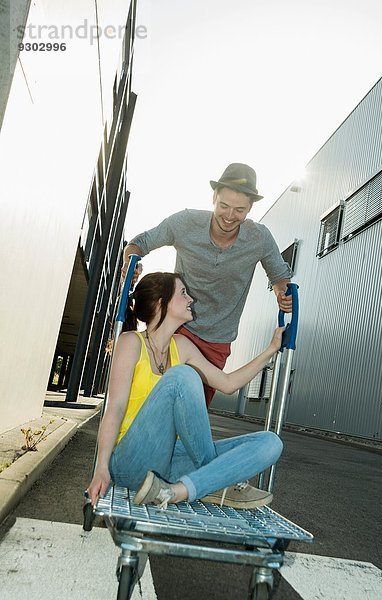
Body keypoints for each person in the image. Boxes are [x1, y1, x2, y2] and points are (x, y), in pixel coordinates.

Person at [87, 272, 284, 511]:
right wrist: (101, 468)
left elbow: (229, 384)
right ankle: (215, 481)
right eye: (183, 293)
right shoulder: (131, 342)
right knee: (183, 376)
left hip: (169, 467)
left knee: (271, 442)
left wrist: (271, 350)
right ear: (161, 303)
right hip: (131, 460)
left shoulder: (181, 346)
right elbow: (115, 408)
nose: (191, 299)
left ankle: (177, 491)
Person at [122, 163, 292, 407]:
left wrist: (282, 294)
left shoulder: (259, 238)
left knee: (193, 409)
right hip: (177, 326)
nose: (230, 216)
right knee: (157, 399)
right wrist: (131, 260)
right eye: (224, 206)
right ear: (214, 198)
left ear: (250, 209)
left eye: (239, 210)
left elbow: (279, 277)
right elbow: (141, 242)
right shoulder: (185, 222)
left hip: (217, 339)